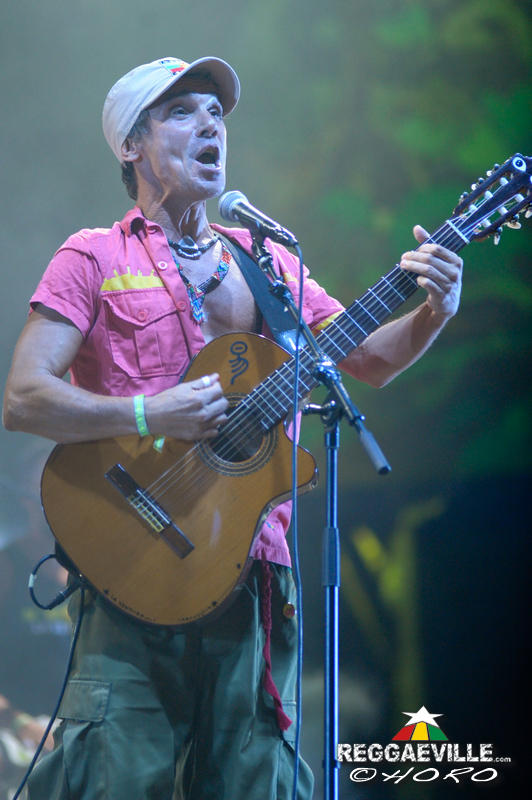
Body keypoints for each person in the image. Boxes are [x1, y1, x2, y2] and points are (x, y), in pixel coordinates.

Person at [2, 56, 463, 799]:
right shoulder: (91, 256)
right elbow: (23, 398)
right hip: (130, 558)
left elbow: (370, 358)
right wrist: (152, 412)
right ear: (132, 145)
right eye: (183, 111)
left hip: (251, 573)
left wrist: (436, 308)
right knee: (121, 773)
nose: (211, 123)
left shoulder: (268, 265)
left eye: (216, 113)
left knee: (256, 779)